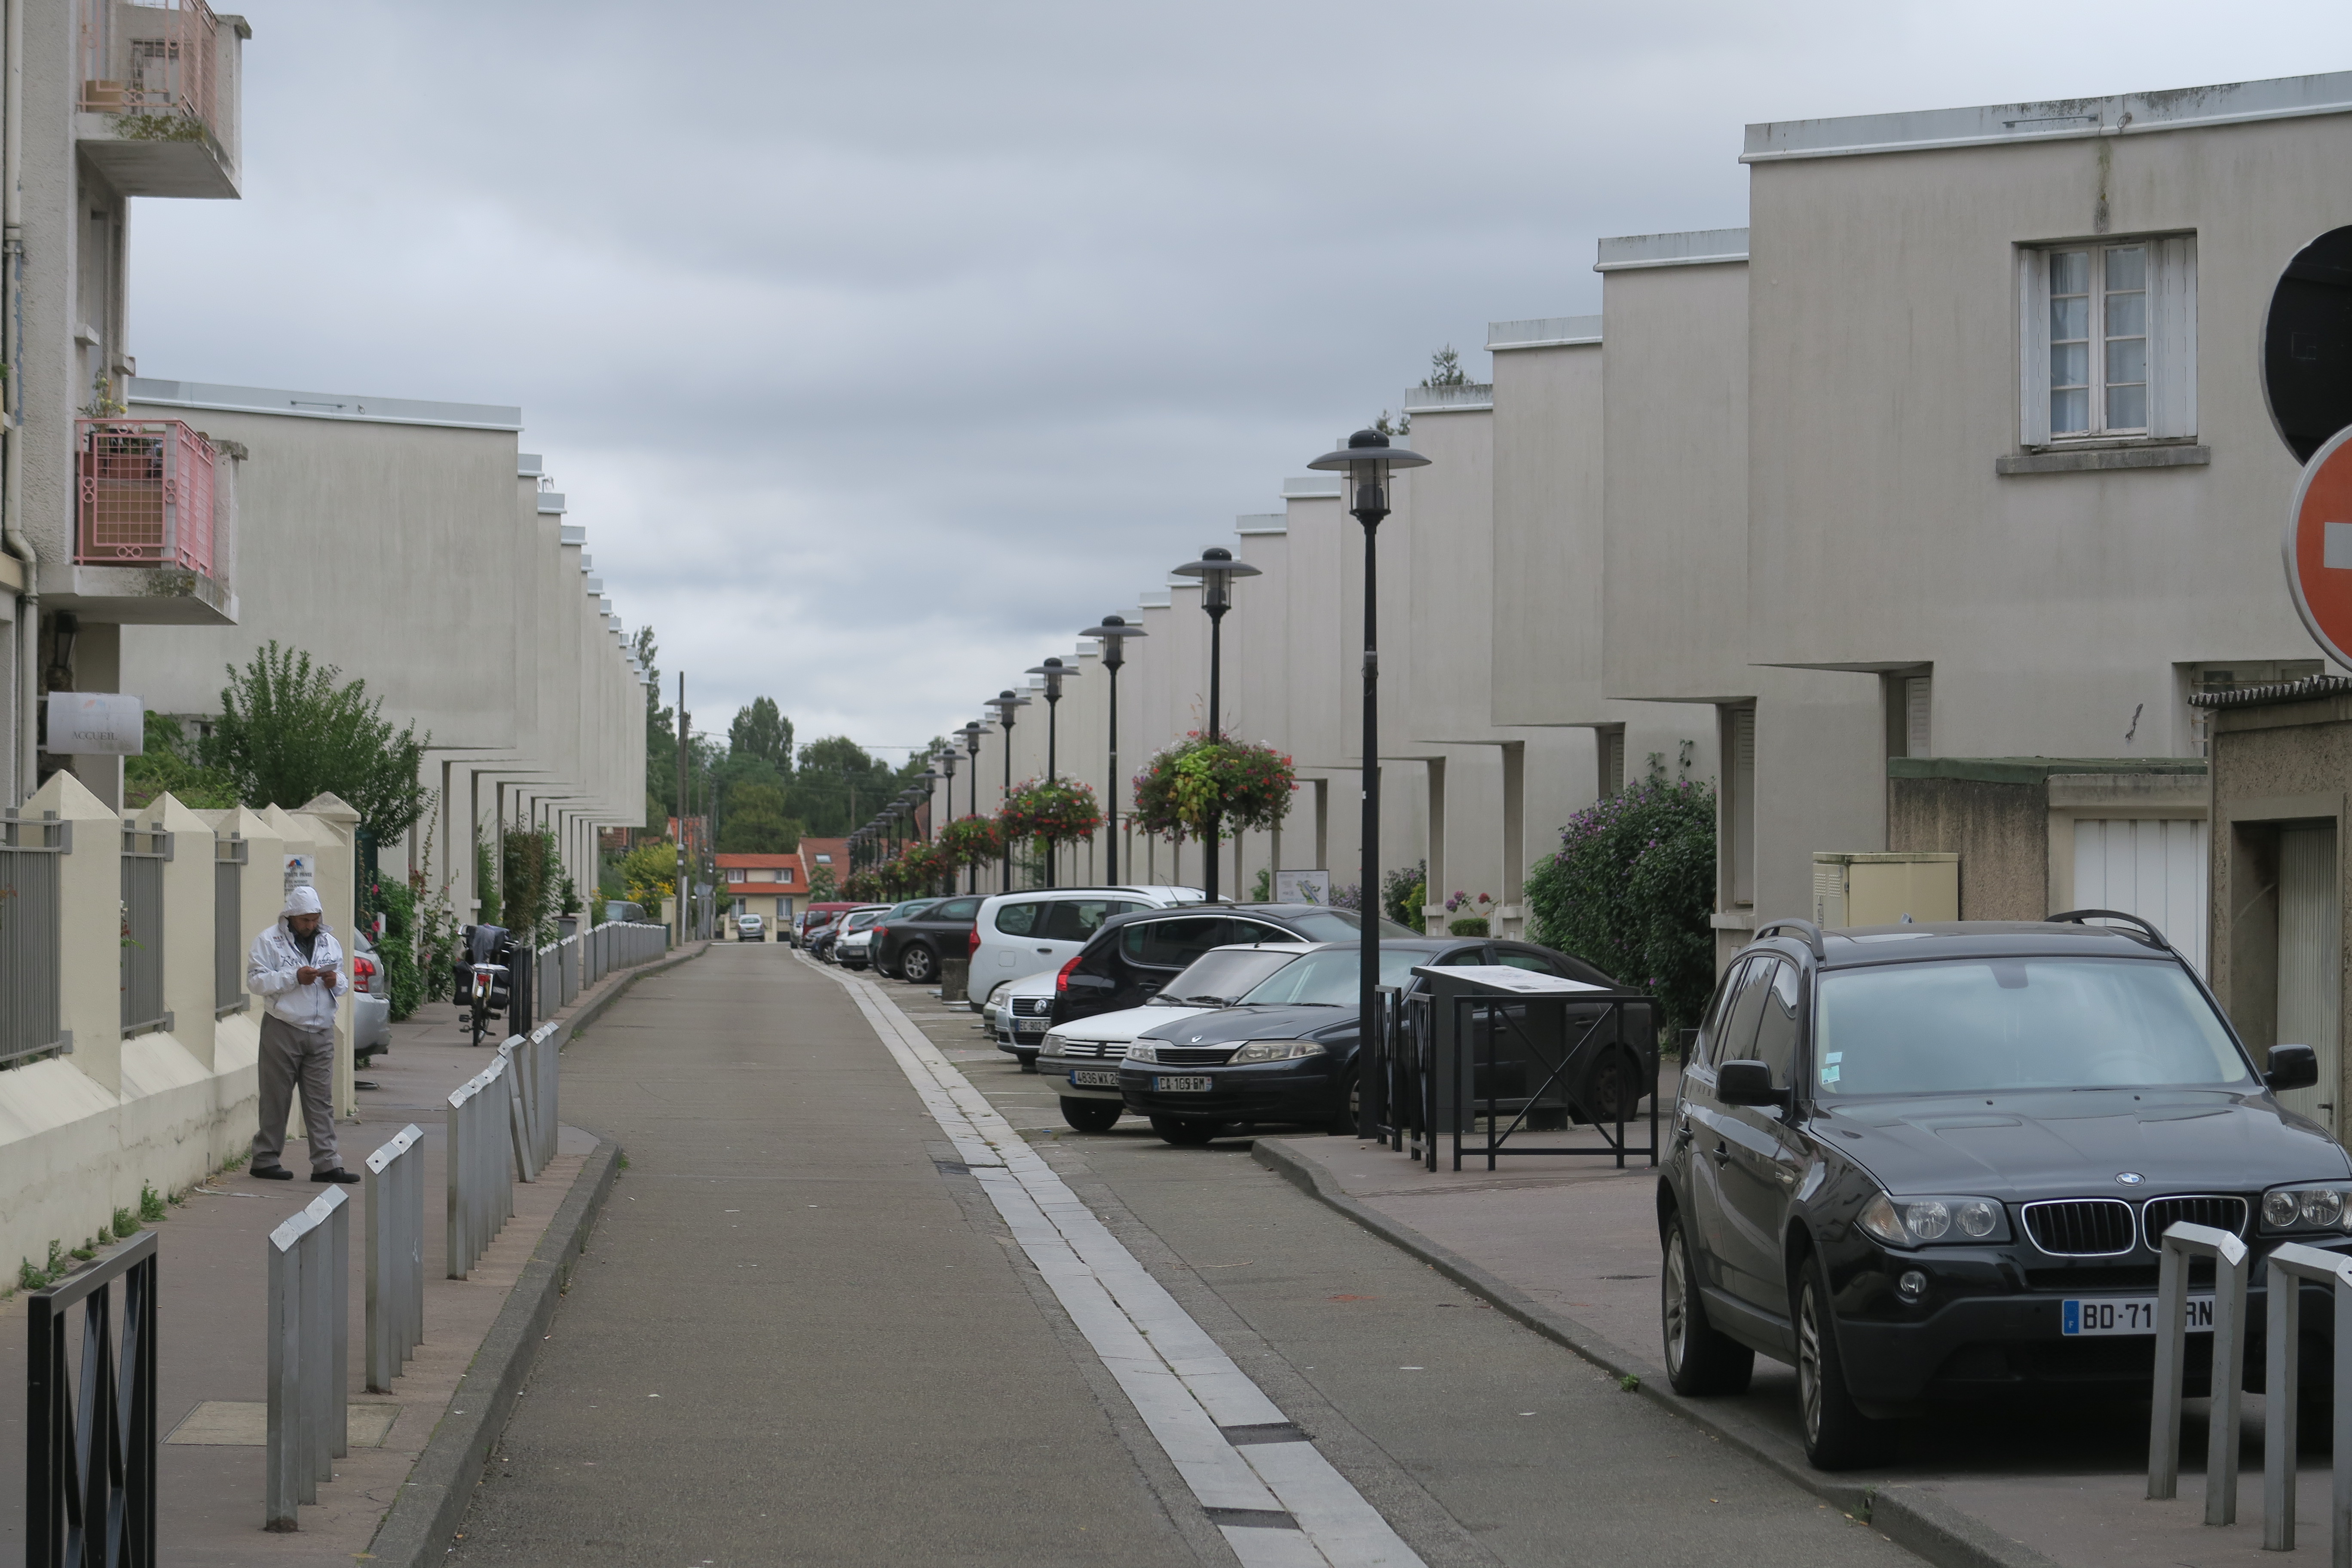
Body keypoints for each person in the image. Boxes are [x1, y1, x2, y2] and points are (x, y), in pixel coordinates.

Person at [248, 885, 358, 1183]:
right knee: (276, 1096)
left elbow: (344, 982)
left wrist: (336, 981)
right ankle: (265, 1159)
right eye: (304, 920)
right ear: (291, 917)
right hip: (283, 1026)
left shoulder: (330, 943)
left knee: (321, 1099)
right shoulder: (268, 941)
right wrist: (293, 978)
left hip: (321, 1028)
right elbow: (256, 982)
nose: (310, 925)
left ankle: (326, 1163)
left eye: (314, 919)